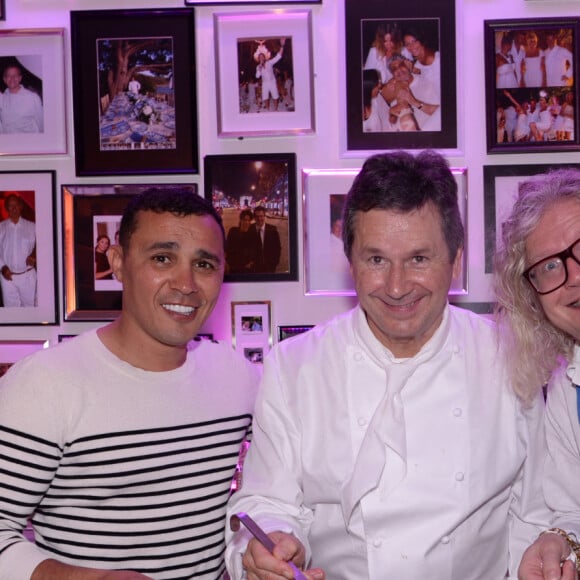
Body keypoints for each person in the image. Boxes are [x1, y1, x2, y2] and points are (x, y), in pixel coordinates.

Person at [225, 150, 550, 580]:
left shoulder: (511, 355)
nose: (397, 287)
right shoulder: (295, 367)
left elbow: (536, 512)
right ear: (351, 264)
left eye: (419, 258)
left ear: (454, 262)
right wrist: (270, 545)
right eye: (376, 259)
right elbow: (266, 502)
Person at [0, 188, 260, 578]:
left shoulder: (238, 378)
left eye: (204, 264)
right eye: (162, 258)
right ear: (118, 263)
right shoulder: (45, 384)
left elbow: (272, 494)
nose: (186, 283)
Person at [493, 169, 580, 580]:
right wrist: (560, 543)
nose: (574, 276)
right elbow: (573, 512)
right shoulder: (567, 388)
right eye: (548, 267)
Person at [381, 55, 439, 131]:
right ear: (392, 74)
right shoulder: (392, 90)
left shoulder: (426, 82)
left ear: (407, 65)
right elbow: (391, 121)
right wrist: (391, 114)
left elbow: (441, 113)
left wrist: (414, 101)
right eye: (394, 69)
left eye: (401, 65)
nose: (398, 70)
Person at [0, 194, 36, 307]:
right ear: (6, 208)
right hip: (7, 277)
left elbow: (43, 246)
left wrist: (35, 255)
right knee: (12, 315)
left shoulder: (33, 226)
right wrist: (2, 267)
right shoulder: (0, 227)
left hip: (28, 276)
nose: (14, 208)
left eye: (16, 205)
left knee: (31, 311)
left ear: (21, 207)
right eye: (10, 206)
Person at [0, 63, 44, 133]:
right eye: (8, 76)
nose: (12, 78)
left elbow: (41, 123)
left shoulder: (32, 98)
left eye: (15, 75)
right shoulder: (2, 98)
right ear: (4, 79)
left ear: (20, 78)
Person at [226, 209, 260, 274]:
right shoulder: (233, 231)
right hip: (232, 266)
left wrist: (251, 263)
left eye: (248, 220)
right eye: (244, 220)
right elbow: (227, 247)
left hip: (246, 268)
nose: (246, 222)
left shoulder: (253, 235)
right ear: (240, 220)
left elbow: (255, 252)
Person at [255, 38, 285, 112]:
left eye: (262, 57)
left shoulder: (269, 63)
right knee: (265, 97)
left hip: (272, 82)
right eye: (260, 57)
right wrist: (260, 68)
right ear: (259, 59)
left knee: (275, 96)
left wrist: (282, 46)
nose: (261, 58)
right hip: (265, 83)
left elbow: (278, 56)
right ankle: (268, 110)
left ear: (264, 58)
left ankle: (275, 109)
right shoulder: (258, 67)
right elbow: (257, 76)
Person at [252, 206, 281, 274]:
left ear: (265, 216)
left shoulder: (272, 229)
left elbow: (277, 248)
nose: (259, 219)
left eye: (261, 216)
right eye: (257, 216)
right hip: (253, 268)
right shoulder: (250, 229)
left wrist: (274, 263)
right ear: (254, 217)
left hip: (269, 267)